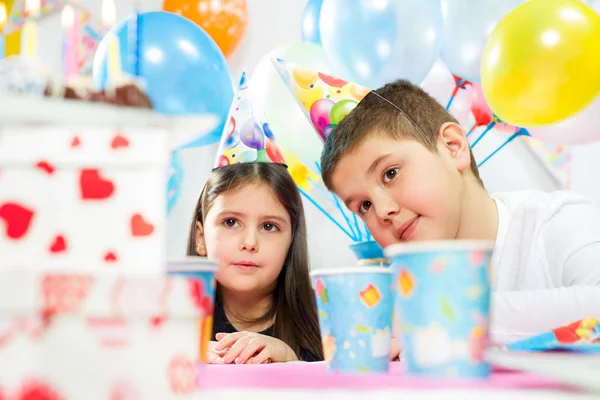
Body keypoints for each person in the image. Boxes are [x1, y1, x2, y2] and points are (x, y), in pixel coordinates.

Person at [319, 78, 600, 344]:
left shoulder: (560, 223)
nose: (382, 211)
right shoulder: (400, 293)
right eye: (364, 206)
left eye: (390, 173)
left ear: (453, 148)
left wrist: (443, 318)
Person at [186, 71, 323, 364]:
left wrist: (292, 364)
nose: (250, 242)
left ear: (291, 240)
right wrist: (178, 359)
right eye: (231, 222)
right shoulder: (171, 321)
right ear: (200, 237)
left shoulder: (330, 322)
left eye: (269, 226)